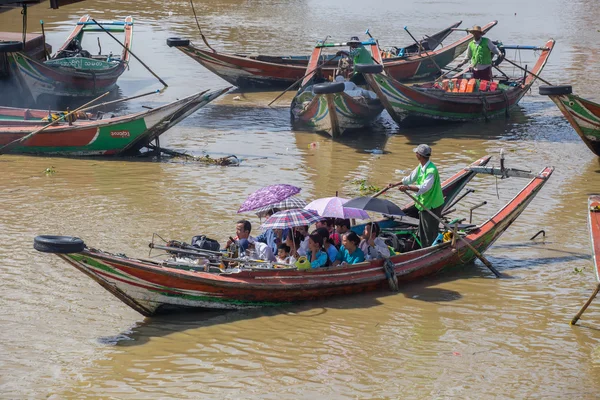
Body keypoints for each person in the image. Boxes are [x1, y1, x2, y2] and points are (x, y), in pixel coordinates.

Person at [388, 144, 444, 248]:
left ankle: (431, 249)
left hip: (433, 204)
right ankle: (424, 247)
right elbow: (410, 178)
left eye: (416, 153)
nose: (415, 154)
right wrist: (395, 184)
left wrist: (408, 188)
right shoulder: (421, 167)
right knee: (423, 229)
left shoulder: (431, 170)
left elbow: (424, 187)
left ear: (420, 155)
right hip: (424, 203)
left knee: (430, 231)